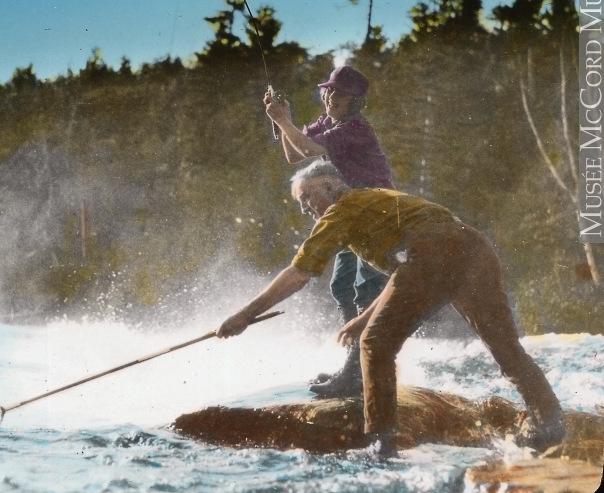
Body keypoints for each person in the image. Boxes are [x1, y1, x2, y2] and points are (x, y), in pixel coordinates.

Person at [216, 160, 566, 460]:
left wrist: (245, 316)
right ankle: (549, 422)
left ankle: (380, 442)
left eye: (307, 197)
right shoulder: (370, 203)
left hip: (435, 250)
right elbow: (407, 273)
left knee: (375, 344)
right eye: (300, 202)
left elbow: (300, 272)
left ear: (330, 185)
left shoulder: (342, 208)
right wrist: (363, 318)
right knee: (504, 346)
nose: (305, 207)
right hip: (473, 247)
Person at [263, 65, 394, 398]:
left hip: (376, 213)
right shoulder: (327, 123)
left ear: (355, 102)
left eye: (340, 94)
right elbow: (295, 154)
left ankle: (359, 371)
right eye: (329, 91)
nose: (332, 98)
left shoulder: (355, 128)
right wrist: (280, 120)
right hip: (351, 214)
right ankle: (353, 367)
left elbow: (309, 150)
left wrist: (283, 121)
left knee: (366, 289)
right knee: (340, 286)